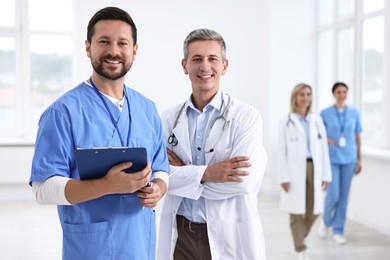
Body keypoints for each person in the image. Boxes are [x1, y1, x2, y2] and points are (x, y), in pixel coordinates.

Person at [29, 7, 169, 260]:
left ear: (134, 50)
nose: (113, 51)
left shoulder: (147, 109)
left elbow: (161, 168)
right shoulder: (62, 112)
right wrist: (106, 186)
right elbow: (42, 188)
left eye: (122, 43)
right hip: (91, 248)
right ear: (88, 47)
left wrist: (158, 188)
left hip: (140, 244)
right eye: (104, 41)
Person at [157, 28, 267, 260]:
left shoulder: (247, 117)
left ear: (224, 66)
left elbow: (242, 183)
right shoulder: (167, 119)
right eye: (196, 59)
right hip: (181, 236)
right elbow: (158, 176)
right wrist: (210, 172)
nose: (204, 66)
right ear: (184, 65)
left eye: (212, 59)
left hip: (229, 234)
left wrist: (183, 175)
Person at [277, 83, 331, 260]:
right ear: (295, 97)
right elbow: (281, 152)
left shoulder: (316, 121)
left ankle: (299, 237)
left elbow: (323, 149)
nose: (305, 97)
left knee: (314, 210)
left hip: (315, 168)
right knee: (296, 211)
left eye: (308, 94)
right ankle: (300, 247)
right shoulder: (285, 122)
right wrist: (283, 177)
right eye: (301, 94)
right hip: (295, 170)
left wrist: (326, 175)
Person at [318, 82, 362, 244]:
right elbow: (318, 135)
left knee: (344, 197)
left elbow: (358, 137)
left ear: (347, 93)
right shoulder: (325, 113)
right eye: (338, 92)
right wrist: (326, 140)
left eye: (344, 91)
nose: (342, 94)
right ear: (334, 94)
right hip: (332, 159)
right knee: (333, 195)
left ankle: (338, 230)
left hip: (350, 159)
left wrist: (359, 159)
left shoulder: (354, 113)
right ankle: (326, 221)